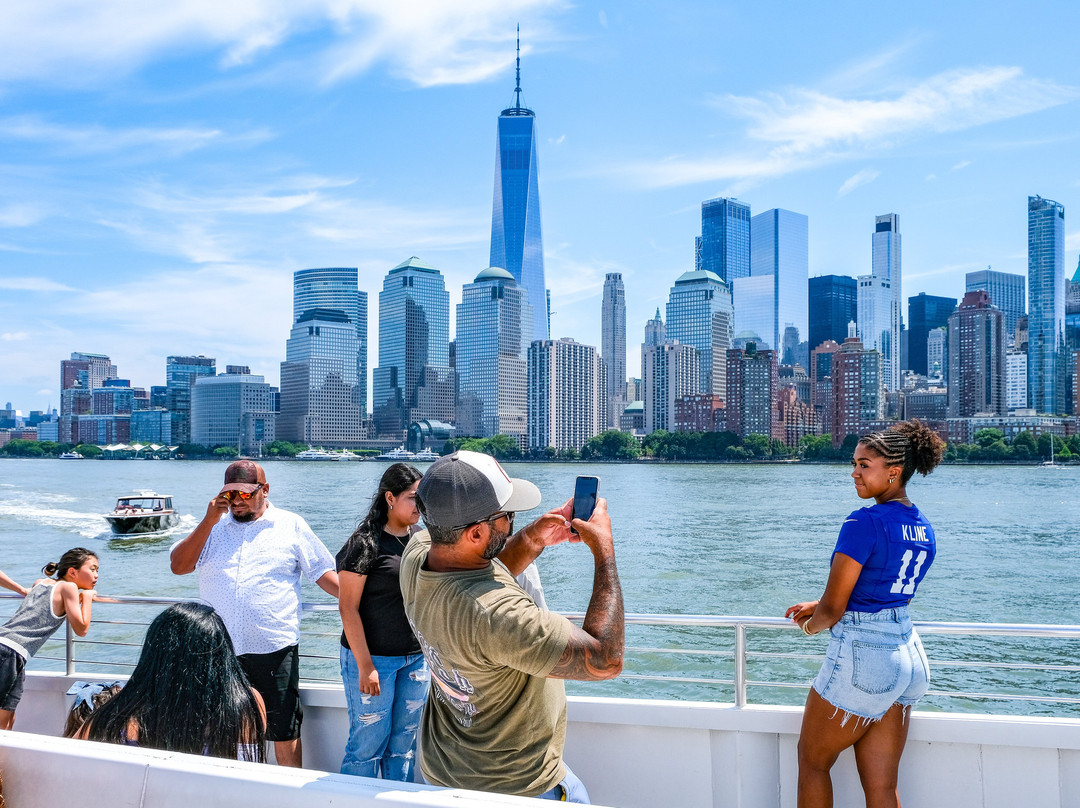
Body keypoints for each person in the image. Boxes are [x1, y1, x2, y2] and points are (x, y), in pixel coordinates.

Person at [400, 450, 624, 802]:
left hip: (445, 770)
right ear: (475, 534)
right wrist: (604, 549)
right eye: (507, 516)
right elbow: (606, 658)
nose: (513, 522)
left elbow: (476, 572)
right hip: (515, 789)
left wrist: (534, 538)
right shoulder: (498, 616)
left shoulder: (417, 553)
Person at [785, 420, 945, 808]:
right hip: (908, 656)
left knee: (813, 763)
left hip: (866, 658)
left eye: (864, 464)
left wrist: (810, 624)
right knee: (882, 786)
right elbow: (885, 589)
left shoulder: (863, 521)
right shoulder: (922, 527)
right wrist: (820, 603)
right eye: (855, 463)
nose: (854, 472)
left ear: (894, 471)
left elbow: (834, 609)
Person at [169, 460, 339, 767]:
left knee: (283, 732)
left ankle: (287, 797)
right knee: (221, 729)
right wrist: (209, 520)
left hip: (274, 648)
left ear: (265, 490)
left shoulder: (291, 524)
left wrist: (362, 602)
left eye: (245, 494)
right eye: (231, 494)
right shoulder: (212, 528)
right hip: (218, 651)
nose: (237, 501)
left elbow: (322, 573)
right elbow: (179, 566)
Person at [336, 463, 428, 781]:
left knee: (403, 747)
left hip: (415, 660)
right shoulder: (365, 544)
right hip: (373, 660)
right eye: (414, 497)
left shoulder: (422, 539)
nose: (422, 505)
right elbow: (348, 608)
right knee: (367, 747)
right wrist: (366, 666)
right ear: (390, 498)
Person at [82, 602, 266, 761]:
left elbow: (69, 755)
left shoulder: (120, 710)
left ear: (154, 655)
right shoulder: (245, 703)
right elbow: (244, 772)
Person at [0, 548, 99, 730]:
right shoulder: (68, 588)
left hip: (12, 651)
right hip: (11, 652)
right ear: (72, 572)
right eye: (92, 569)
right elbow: (81, 628)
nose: (96, 575)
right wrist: (87, 598)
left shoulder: (41, 583)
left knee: (9, 719)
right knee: (3, 720)